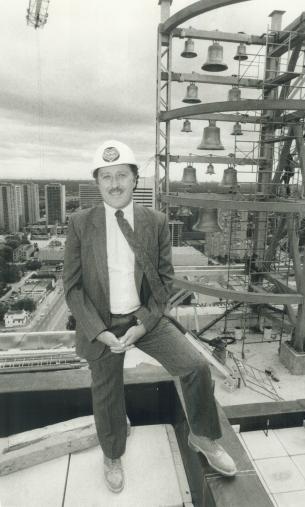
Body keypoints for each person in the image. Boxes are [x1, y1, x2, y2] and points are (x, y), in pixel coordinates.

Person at [63, 140, 236, 494]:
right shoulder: (81, 223)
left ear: (135, 180)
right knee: (107, 391)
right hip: (102, 322)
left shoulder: (154, 222)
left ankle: (202, 437)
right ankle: (112, 454)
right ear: (98, 183)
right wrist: (99, 332)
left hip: (145, 318)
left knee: (195, 366)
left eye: (121, 176)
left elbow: (164, 283)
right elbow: (73, 287)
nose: (114, 184)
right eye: (106, 177)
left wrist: (143, 324)